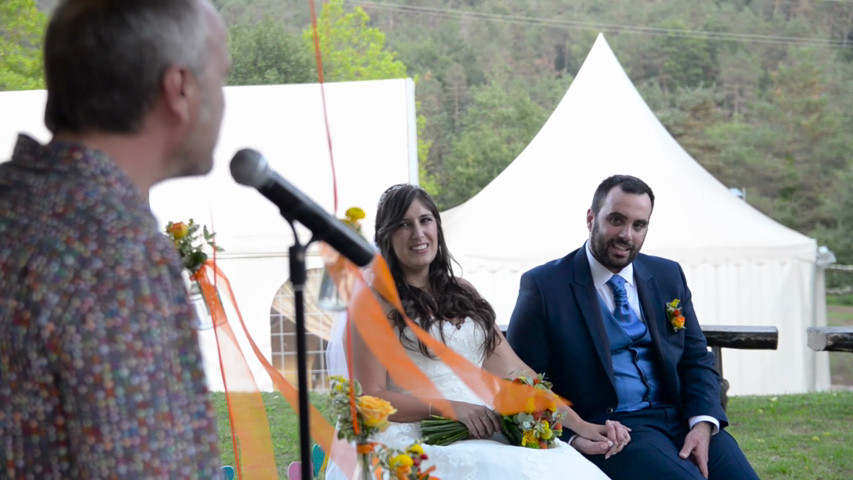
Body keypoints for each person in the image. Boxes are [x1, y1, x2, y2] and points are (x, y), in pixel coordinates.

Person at [0, 0, 231, 478]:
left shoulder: (15, 206)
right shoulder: (115, 256)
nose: (223, 99)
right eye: (222, 79)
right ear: (180, 89)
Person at [326, 184, 630, 480]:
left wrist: (578, 424)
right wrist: (449, 409)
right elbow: (371, 396)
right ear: (387, 236)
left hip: (484, 424)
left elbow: (515, 370)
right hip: (418, 432)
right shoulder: (373, 303)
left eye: (425, 220)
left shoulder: (463, 292)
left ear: (437, 227)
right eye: (404, 224)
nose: (418, 233)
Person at [507, 175, 760, 480]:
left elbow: (695, 358)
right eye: (616, 220)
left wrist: (703, 422)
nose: (627, 235)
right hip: (615, 430)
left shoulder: (667, 274)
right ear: (591, 218)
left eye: (639, 225)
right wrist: (573, 439)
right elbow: (521, 384)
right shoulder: (545, 286)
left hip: (680, 417)